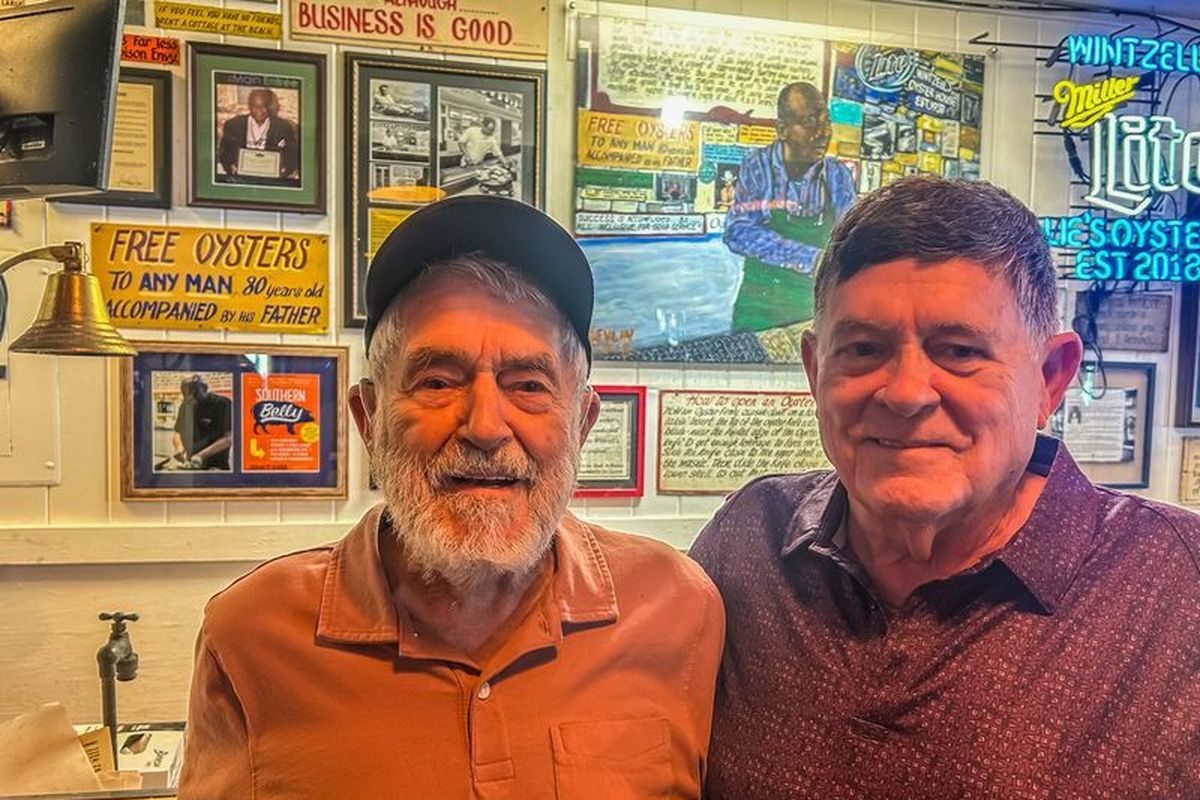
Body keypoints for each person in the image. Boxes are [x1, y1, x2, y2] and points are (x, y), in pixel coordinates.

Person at [178, 196, 724, 798]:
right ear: (369, 419)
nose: (486, 426)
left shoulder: (678, 610)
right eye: (438, 382)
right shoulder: (252, 635)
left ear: (583, 422)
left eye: (529, 385)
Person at [691, 176, 1200, 798]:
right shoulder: (747, 544)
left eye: (958, 351)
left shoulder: (1180, 588)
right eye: (862, 349)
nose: (905, 393)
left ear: (1050, 377)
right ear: (815, 369)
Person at [724, 81, 857, 333]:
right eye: (809, 122)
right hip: (759, 308)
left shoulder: (838, 175)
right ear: (783, 129)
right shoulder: (758, 165)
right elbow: (738, 231)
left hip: (816, 310)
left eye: (825, 123)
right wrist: (811, 259)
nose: (822, 133)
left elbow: (849, 238)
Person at [217, 87, 299, 181]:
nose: (261, 110)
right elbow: (225, 153)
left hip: (270, 180)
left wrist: (283, 170)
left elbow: (292, 155)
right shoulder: (233, 125)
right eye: (256, 106)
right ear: (249, 106)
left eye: (264, 106)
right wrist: (231, 168)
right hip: (240, 178)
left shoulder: (283, 127)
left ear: (269, 106)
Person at [170, 375, 231, 471]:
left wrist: (201, 455)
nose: (192, 401)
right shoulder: (185, 405)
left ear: (205, 389)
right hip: (190, 464)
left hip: (215, 465)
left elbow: (228, 439)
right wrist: (179, 448)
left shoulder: (222, 404)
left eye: (196, 396)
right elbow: (177, 433)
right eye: (188, 398)